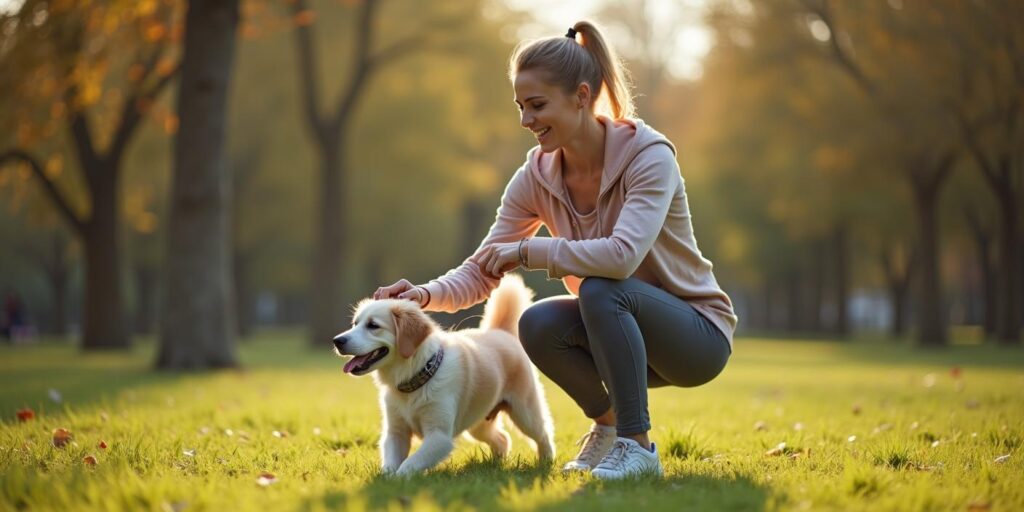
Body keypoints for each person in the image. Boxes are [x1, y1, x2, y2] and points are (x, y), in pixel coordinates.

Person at [374, 21, 737, 479]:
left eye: (538, 105)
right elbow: (484, 267)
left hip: (695, 338)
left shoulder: (649, 156)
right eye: (521, 106)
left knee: (602, 289)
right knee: (537, 321)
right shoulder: (537, 176)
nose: (526, 120)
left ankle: (638, 446)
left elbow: (621, 257)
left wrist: (530, 251)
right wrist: (421, 297)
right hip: (620, 340)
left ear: (582, 97)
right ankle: (607, 429)